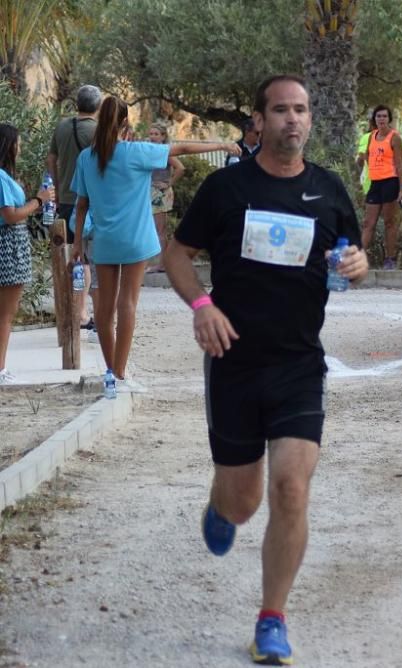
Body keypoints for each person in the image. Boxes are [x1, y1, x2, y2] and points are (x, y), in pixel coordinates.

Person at [163, 74, 368, 665]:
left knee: (291, 488)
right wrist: (202, 306)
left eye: (301, 109)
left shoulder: (328, 190)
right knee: (244, 501)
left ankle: (271, 618)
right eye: (280, 110)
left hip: (298, 364)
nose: (292, 120)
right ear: (259, 120)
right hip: (233, 363)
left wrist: (356, 264)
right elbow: (177, 256)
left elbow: (350, 257)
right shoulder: (226, 189)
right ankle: (220, 503)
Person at [70, 96, 239, 395]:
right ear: (125, 124)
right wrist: (222, 145)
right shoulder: (137, 152)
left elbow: (81, 205)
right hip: (136, 239)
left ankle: (110, 372)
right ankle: (121, 373)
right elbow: (182, 149)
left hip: (104, 240)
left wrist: (76, 244)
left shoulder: (86, 157)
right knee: (129, 304)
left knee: (104, 309)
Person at [0, 124, 55, 384]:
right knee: (6, 313)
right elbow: (10, 215)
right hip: (8, 248)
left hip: (14, 246)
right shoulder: (0, 178)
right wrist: (39, 201)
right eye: (18, 143)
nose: (20, 148)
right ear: (8, 146)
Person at [47, 84, 101, 330]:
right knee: (86, 258)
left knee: (70, 255)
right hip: (91, 203)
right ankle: (82, 313)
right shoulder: (99, 131)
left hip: (67, 201)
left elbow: (51, 159)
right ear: (97, 106)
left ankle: (70, 309)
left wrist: (57, 191)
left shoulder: (61, 127)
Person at [359, 105, 402, 269]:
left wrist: (401, 189)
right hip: (375, 183)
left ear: (389, 119)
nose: (381, 119)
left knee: (389, 222)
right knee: (368, 223)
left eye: (384, 116)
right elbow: (367, 157)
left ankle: (390, 259)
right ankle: (359, 259)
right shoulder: (371, 136)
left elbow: (399, 164)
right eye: (378, 116)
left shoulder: (394, 137)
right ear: (374, 119)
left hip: (390, 182)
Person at [146, 122, 186, 273]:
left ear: (163, 136)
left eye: (156, 134)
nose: (153, 137)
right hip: (151, 192)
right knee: (155, 230)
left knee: (160, 230)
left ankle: (163, 264)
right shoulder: (150, 150)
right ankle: (161, 262)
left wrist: (169, 183)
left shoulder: (165, 151)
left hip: (160, 194)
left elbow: (181, 168)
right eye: (151, 134)